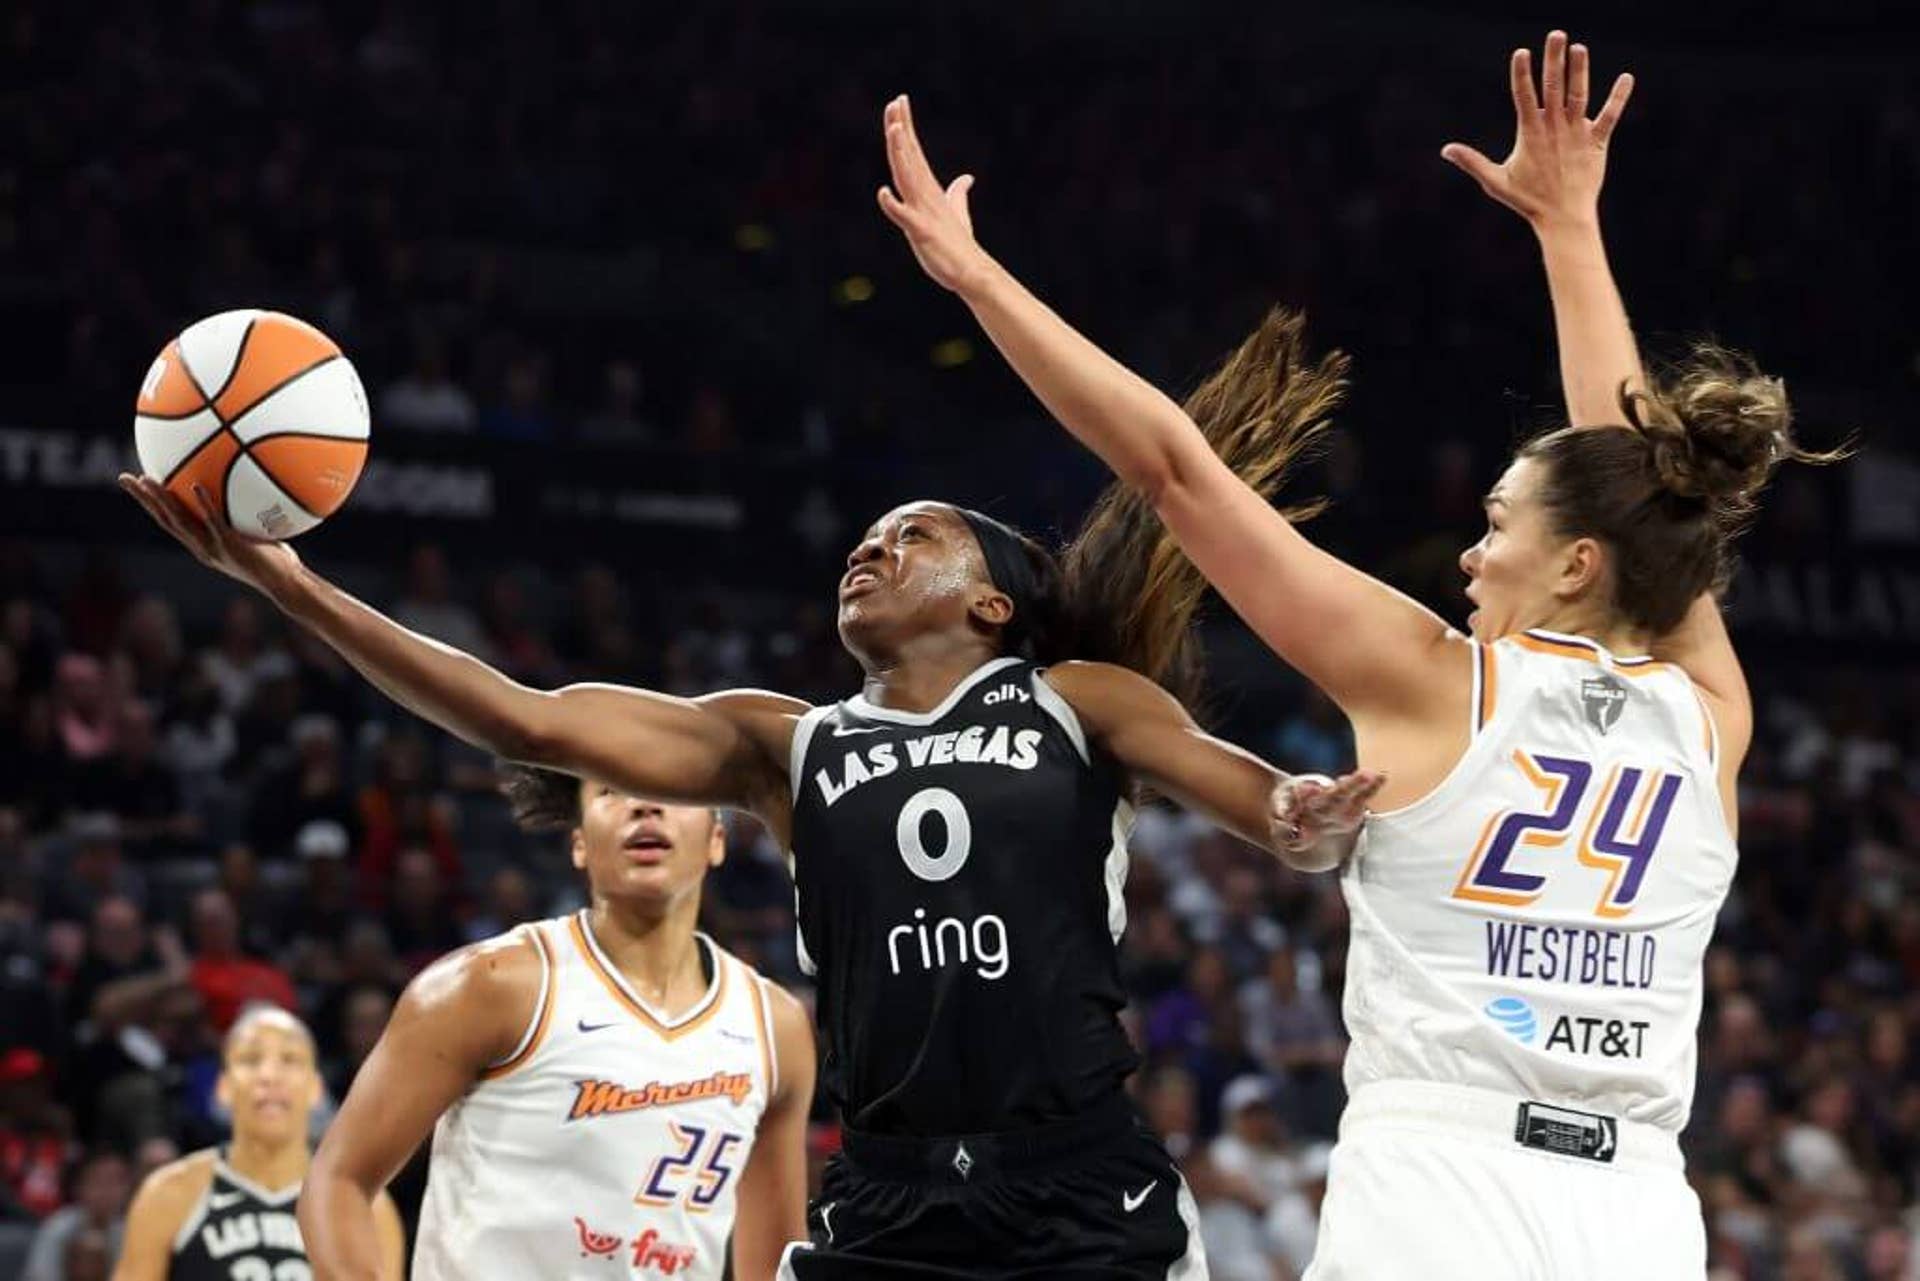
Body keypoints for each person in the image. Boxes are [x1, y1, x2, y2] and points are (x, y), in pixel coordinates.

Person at [875, 29, 1844, 1279]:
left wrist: (976, 281)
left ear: (1575, 565)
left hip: (1444, 1183)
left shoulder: (1435, 679)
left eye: (1497, 525)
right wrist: (1570, 232)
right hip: (1639, 1212)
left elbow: (1175, 469)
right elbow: (1645, 490)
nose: (1470, 556)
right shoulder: (1710, 714)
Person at [121, 351, 1382, 1276]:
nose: (870, 550)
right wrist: (295, 590)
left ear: (993, 605)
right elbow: (528, 720)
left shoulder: (1075, 700)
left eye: (915, 536)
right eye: (866, 539)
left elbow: (1250, 793)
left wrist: (1300, 813)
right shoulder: (784, 742)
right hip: (888, 1200)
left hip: (1080, 1187)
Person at [299, 777, 813, 1281]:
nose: (644, 806)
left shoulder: (775, 1026)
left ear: (717, 840)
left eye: (673, 791)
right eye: (611, 790)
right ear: (580, 844)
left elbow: (774, 1263)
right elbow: (339, 1179)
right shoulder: (488, 986)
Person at [112, 1005, 405, 1280]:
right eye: (250, 1060)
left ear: (315, 1089)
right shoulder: (168, 1194)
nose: (269, 1076)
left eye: (289, 1060)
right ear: (223, 1087)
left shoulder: (365, 1207)